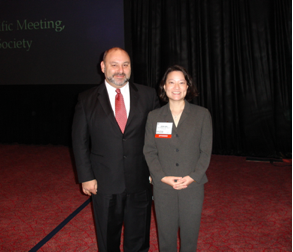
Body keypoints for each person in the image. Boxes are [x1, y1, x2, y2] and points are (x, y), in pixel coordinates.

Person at [72, 47, 160, 252]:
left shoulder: (148, 95)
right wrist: (86, 176)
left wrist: (156, 169)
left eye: (125, 64)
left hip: (140, 179)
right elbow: (79, 141)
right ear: (103, 67)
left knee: (139, 239)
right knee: (107, 238)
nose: (120, 70)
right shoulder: (86, 99)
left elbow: (157, 137)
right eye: (114, 64)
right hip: (104, 182)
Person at [143, 65, 213, 251]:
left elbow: (206, 152)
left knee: (190, 235)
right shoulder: (154, 116)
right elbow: (149, 151)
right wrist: (161, 176)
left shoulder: (202, 115)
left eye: (181, 82)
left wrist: (193, 176)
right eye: (171, 82)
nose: (176, 87)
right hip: (163, 186)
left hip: (192, 185)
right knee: (165, 235)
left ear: (188, 87)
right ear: (164, 87)